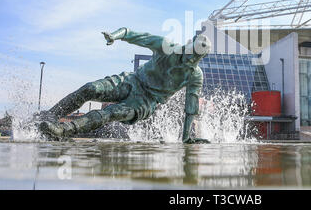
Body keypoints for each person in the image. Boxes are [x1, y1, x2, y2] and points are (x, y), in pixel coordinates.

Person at [36, 28, 211, 144]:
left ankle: (63, 130)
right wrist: (114, 36)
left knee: (110, 113)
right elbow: (133, 34)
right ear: (189, 43)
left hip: (145, 102)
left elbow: (191, 109)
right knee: (90, 89)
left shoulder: (195, 76)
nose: (190, 58)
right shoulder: (166, 47)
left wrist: (186, 138)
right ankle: (49, 116)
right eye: (191, 53)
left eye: (196, 57)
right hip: (132, 80)